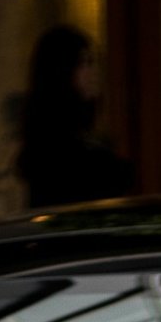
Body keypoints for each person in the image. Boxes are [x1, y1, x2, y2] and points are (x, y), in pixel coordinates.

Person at [16, 25, 134, 211]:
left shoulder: (82, 133)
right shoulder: (53, 144)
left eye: (91, 63)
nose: (91, 73)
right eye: (83, 64)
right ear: (62, 70)